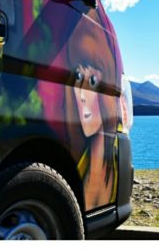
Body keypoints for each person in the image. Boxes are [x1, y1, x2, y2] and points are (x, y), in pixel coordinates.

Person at [64, 14, 118, 209]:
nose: (82, 94)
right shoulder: (72, 169)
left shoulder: (110, 172)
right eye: (78, 77)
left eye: (92, 81)